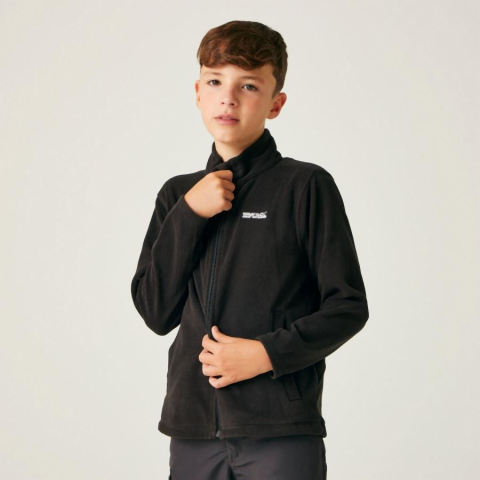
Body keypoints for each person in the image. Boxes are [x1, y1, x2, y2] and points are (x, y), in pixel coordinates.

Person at [130, 20, 369, 480]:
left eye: (249, 85)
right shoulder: (178, 195)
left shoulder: (305, 186)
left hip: (280, 428)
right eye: (215, 82)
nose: (228, 98)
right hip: (193, 428)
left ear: (276, 103)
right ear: (197, 92)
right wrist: (189, 214)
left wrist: (265, 353)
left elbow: (348, 307)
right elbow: (155, 312)